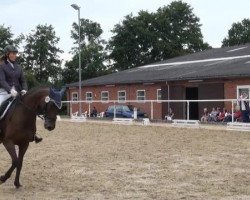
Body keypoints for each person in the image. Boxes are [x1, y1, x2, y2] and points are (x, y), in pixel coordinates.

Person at [0, 45, 42, 143]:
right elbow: (2, 80)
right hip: (4, 93)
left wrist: (25, 90)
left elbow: (23, 81)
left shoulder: (19, 67)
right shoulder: (2, 66)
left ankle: (33, 132)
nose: (15, 55)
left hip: (18, 93)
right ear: (7, 54)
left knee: (29, 109)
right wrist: (10, 90)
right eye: (13, 53)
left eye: (16, 54)